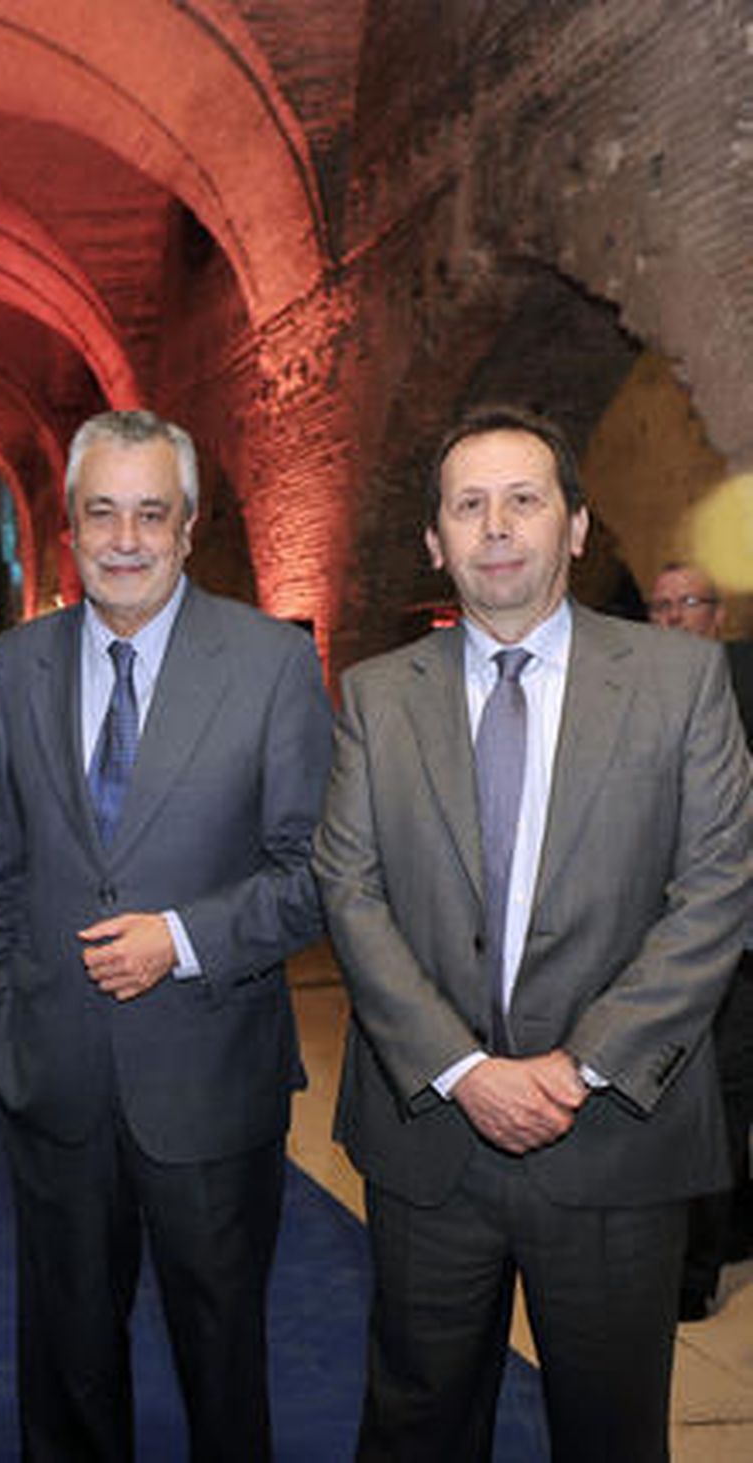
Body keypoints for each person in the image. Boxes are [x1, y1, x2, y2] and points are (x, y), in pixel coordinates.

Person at [314, 405, 753, 1462]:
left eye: (524, 498)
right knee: (417, 1419)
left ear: (575, 526)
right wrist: (464, 1067)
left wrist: (580, 1066)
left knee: (609, 1431)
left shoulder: (678, 682)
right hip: (430, 1141)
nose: (496, 524)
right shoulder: (377, 698)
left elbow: (716, 888)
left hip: (614, 1140)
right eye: (468, 505)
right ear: (435, 541)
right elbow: (349, 886)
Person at [0, 408, 333, 1459]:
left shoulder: (269, 662)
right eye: (102, 513)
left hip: (211, 1076)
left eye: (150, 513)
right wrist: (9, 1029)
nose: (125, 538)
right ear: (70, 528)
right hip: (55, 1078)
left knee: (221, 1357)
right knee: (66, 1359)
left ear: (186, 526)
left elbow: (316, 870)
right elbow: (1, 870)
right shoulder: (17, 664)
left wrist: (180, 936)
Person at [648, 561, 753, 1319]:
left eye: (689, 603)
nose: (676, 616)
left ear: (717, 615)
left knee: (722, 1097)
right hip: (653, 940)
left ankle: (697, 1267)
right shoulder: (632, 696)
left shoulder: (741, 685)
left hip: (737, 938)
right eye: (662, 606)